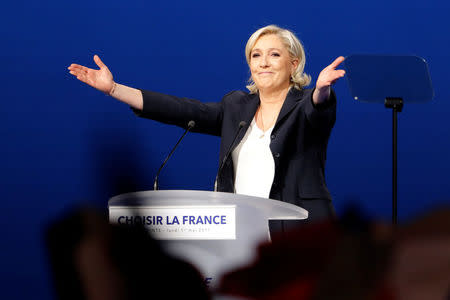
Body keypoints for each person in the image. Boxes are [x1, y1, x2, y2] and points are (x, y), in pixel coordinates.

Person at [68, 25, 345, 223]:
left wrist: (321, 89)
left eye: (274, 54)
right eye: (255, 55)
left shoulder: (304, 106)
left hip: (303, 230)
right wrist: (115, 88)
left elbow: (318, 110)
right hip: (244, 230)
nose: (263, 63)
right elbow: (181, 110)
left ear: (293, 64)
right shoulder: (236, 107)